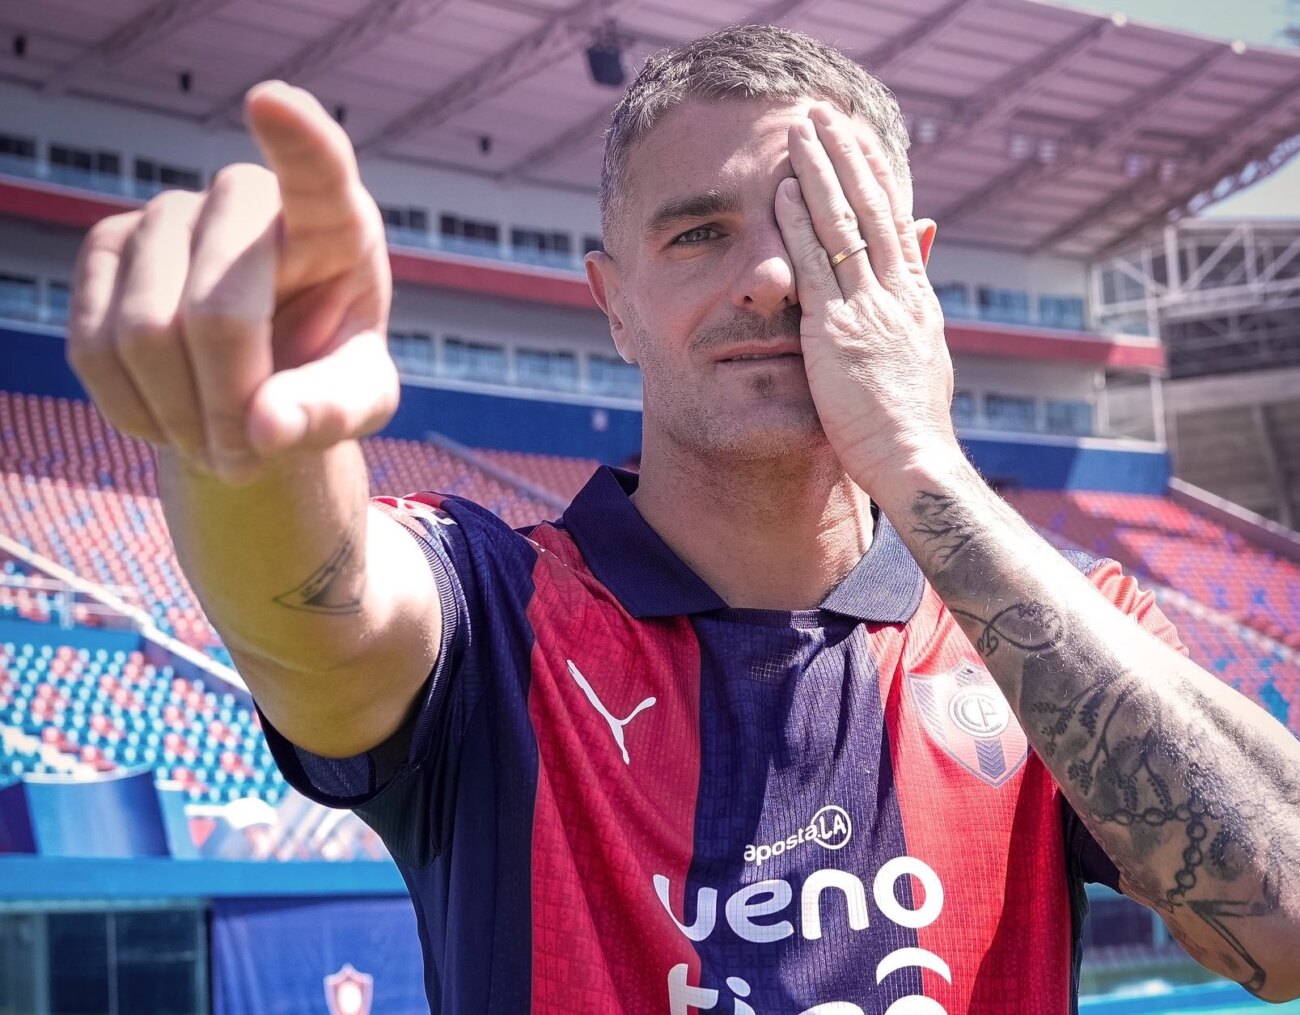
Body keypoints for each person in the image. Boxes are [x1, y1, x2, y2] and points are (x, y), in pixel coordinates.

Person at [67, 23, 1300, 1015]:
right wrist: (245, 440)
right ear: (613, 303)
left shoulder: (1057, 633)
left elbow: (1285, 926)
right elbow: (317, 619)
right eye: (700, 232)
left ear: (910, 270)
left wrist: (923, 464)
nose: (767, 277)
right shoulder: (493, 614)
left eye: (821, 229)